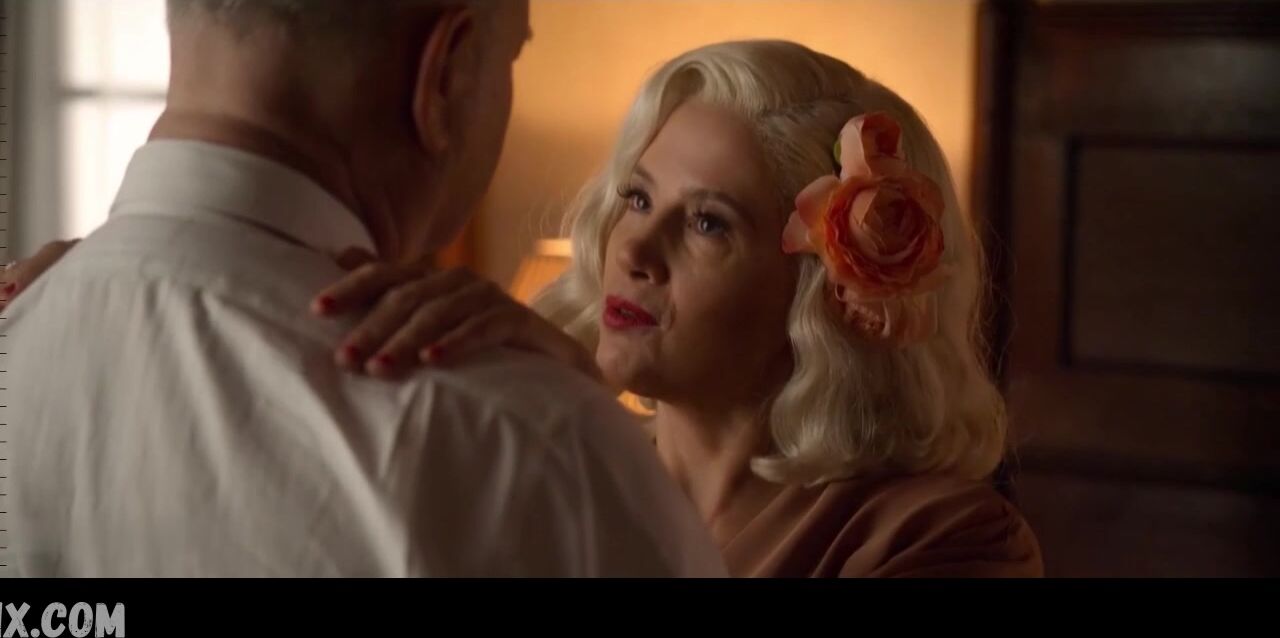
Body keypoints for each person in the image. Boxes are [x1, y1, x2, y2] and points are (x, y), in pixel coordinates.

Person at [7, 39, 1044, 577]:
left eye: (707, 222)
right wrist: (134, 285)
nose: (632, 248)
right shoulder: (540, 458)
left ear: (821, 287)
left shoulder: (942, 536)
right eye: (635, 198)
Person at [0, 0, 726, 577]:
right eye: (514, 55)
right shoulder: (528, 451)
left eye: (707, 221)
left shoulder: (21, 330)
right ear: (449, 74)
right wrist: (589, 446)